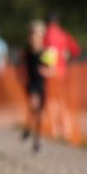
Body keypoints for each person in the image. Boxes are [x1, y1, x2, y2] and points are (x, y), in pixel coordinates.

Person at [43, 12, 81, 138]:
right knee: (62, 101)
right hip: (63, 73)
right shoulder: (63, 34)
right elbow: (75, 50)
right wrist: (66, 59)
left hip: (51, 72)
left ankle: (55, 129)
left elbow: (49, 53)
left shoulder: (47, 35)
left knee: (52, 101)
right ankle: (66, 129)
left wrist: (49, 67)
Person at [20, 20, 55, 153]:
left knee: (39, 114)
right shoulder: (27, 51)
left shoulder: (46, 52)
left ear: (41, 36)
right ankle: (28, 129)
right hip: (31, 84)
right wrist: (21, 77)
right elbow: (20, 64)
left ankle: (37, 139)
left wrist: (46, 72)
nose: (32, 38)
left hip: (41, 84)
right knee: (33, 106)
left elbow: (52, 69)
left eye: (35, 35)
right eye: (30, 35)